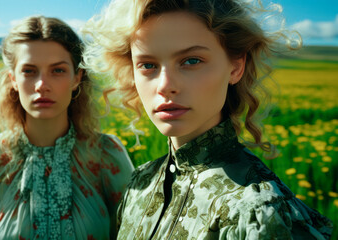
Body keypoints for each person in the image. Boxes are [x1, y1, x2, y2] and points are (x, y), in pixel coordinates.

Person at [82, 0, 333, 239]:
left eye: (192, 61)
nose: (165, 86)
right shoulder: (141, 181)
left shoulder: (260, 211)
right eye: (148, 65)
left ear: (235, 67)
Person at [0, 16, 134, 240]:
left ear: (76, 78)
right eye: (29, 71)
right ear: (13, 79)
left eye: (58, 71)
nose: (42, 85)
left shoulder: (106, 156)